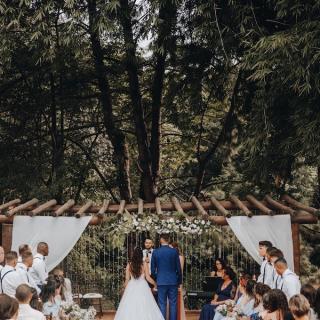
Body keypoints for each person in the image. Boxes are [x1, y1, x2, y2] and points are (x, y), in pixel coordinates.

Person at [114, 247, 164, 320]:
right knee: (145, 305)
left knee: (130, 306)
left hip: (131, 286)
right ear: (141, 255)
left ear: (133, 254)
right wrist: (155, 283)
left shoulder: (129, 265)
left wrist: (123, 288)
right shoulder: (144, 264)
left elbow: (127, 279)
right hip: (143, 286)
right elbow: (148, 278)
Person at [151, 234, 182, 320]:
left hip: (161, 281)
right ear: (168, 240)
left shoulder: (156, 252)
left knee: (162, 304)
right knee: (173, 304)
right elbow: (178, 269)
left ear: (161, 240)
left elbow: (153, 270)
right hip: (173, 281)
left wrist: (157, 278)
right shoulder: (174, 251)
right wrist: (179, 282)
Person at [170, 242, 186, 320]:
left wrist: (179, 284)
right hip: (170, 281)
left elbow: (180, 271)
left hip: (177, 280)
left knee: (177, 300)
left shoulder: (180, 257)